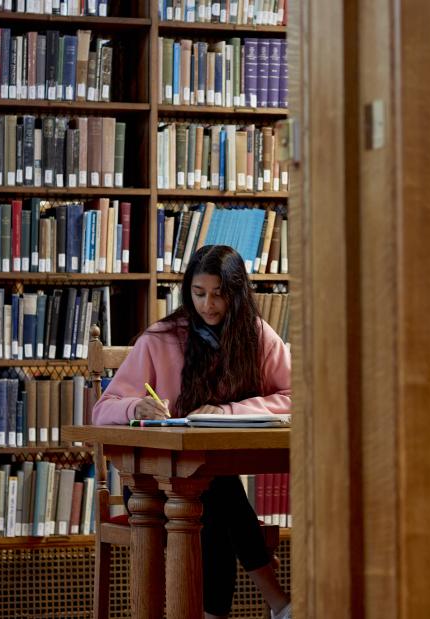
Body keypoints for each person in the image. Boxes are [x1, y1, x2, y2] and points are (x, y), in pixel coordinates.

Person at [92, 244, 292, 619]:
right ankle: (278, 602)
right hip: (150, 483)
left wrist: (229, 411)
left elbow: (297, 394)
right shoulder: (161, 338)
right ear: (188, 292)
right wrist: (136, 407)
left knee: (210, 491)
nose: (208, 305)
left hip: (206, 480)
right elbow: (102, 409)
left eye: (219, 294)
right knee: (213, 491)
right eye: (199, 294)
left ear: (236, 293)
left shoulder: (255, 336)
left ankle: (236, 611)